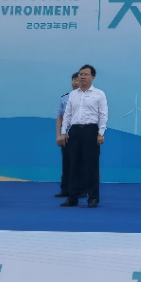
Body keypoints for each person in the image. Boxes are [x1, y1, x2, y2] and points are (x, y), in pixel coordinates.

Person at [61, 65, 107, 208]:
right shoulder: (73, 95)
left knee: (91, 165)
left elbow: (103, 115)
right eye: (81, 74)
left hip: (91, 130)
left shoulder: (99, 94)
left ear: (93, 77)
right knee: (73, 165)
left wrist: (101, 133)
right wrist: (63, 132)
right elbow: (67, 115)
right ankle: (72, 197)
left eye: (86, 74)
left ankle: (93, 198)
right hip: (75, 131)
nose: (82, 77)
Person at [55, 72, 80, 199]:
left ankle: (80, 190)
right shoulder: (64, 98)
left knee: (79, 163)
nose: (76, 82)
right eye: (74, 80)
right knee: (67, 163)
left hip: (80, 135)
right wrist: (59, 134)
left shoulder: (87, 98)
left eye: (78, 80)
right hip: (66, 135)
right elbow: (60, 117)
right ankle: (65, 189)